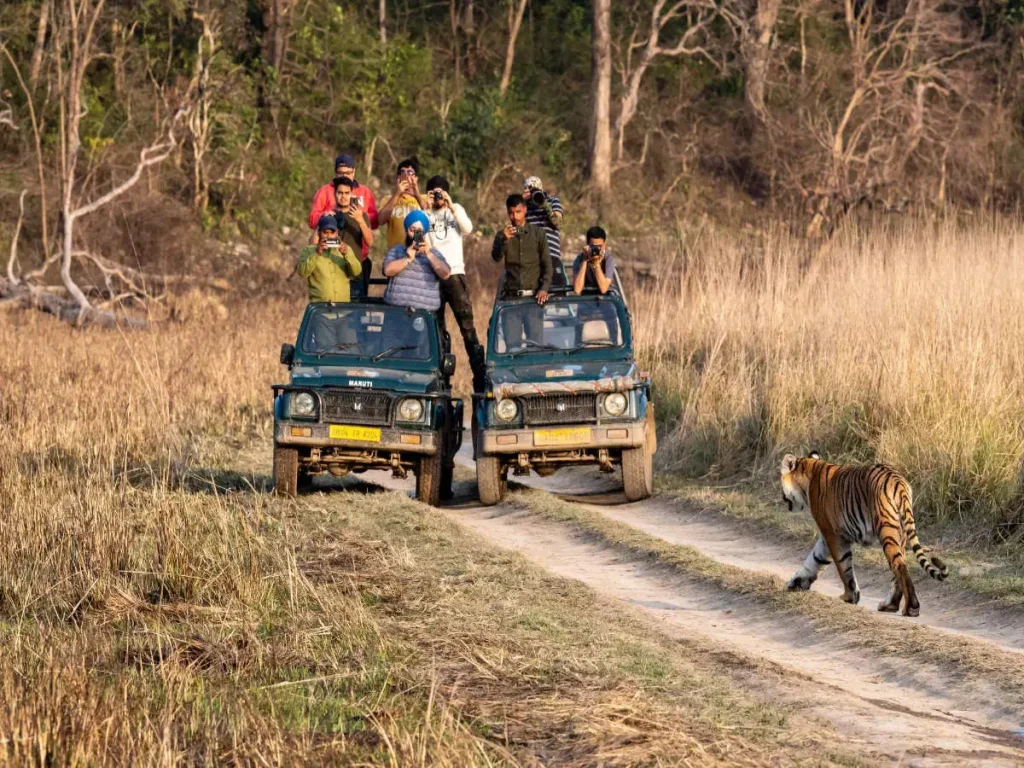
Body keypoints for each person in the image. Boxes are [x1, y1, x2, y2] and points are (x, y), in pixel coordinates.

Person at [424, 175, 486, 392]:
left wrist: (451, 205)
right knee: (437, 328)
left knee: (467, 326)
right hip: (433, 276)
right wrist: (425, 209)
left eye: (441, 192)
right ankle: (441, 378)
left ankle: (480, 375)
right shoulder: (425, 214)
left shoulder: (455, 208)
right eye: (434, 192)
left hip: (455, 274)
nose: (438, 196)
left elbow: (468, 229)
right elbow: (424, 242)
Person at [492, 194, 552, 350]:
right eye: (511, 213)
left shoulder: (538, 234)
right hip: (511, 301)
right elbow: (496, 257)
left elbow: (547, 265)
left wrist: (544, 288)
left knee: (536, 347)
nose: (515, 217)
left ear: (525, 210)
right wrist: (504, 240)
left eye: (518, 212)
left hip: (533, 300)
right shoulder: (502, 234)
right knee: (512, 348)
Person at [308, 153, 379, 259]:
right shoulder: (325, 191)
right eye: (340, 173)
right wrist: (325, 216)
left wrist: (359, 218)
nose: (344, 176)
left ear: (354, 171)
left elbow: (374, 222)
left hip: (359, 255)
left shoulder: (365, 192)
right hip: (330, 254)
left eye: (348, 172)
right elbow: (312, 220)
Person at [383, 210, 451, 312]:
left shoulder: (434, 254)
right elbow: (387, 271)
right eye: (412, 230)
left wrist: (429, 254)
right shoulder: (397, 250)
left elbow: (445, 274)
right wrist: (408, 259)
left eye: (419, 231)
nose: (415, 234)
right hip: (395, 310)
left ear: (425, 233)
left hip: (424, 314)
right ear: (406, 231)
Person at [333, 176, 375, 298]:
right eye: (340, 192)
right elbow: (314, 242)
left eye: (347, 193)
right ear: (335, 194)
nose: (343, 196)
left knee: (356, 311)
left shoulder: (361, 216)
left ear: (352, 194)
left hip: (355, 270)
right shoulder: (329, 216)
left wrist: (360, 220)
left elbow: (370, 242)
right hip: (334, 270)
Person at [378, 157, 428, 249]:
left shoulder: (424, 199)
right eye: (402, 172)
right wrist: (397, 194)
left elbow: (433, 221)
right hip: (395, 252)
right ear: (398, 178)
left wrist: (417, 195)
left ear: (416, 178)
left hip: (418, 250)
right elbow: (381, 220)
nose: (406, 175)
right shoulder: (388, 199)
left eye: (410, 172)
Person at [523, 175, 564, 265]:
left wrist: (544, 204)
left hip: (551, 256)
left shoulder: (552, 201)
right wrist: (521, 201)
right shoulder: (524, 207)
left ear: (541, 189)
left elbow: (558, 223)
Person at [572, 226, 616, 295]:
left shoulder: (608, 259)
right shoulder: (580, 258)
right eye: (594, 247)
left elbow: (604, 289)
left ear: (605, 244)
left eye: (600, 246)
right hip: (587, 302)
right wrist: (585, 260)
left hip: (605, 302)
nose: (597, 250)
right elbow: (577, 290)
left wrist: (596, 264)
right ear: (587, 245)